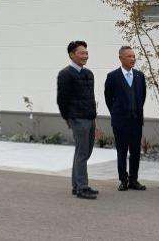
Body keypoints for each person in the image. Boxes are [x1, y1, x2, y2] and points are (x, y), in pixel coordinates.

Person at [57, 40, 99, 200]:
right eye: (82, 53)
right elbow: (62, 99)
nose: (85, 56)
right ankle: (82, 187)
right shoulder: (65, 74)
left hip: (90, 118)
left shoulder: (89, 74)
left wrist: (94, 117)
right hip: (77, 118)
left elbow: (91, 97)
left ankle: (76, 185)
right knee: (82, 152)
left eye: (86, 53)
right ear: (72, 55)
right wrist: (67, 118)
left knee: (85, 151)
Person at [104, 46, 147, 192]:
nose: (132, 59)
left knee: (135, 152)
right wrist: (116, 113)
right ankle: (123, 180)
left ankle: (134, 180)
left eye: (134, 56)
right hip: (120, 122)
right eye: (129, 56)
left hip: (136, 121)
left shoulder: (140, 76)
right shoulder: (112, 76)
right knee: (122, 151)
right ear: (121, 58)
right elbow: (108, 98)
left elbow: (142, 97)